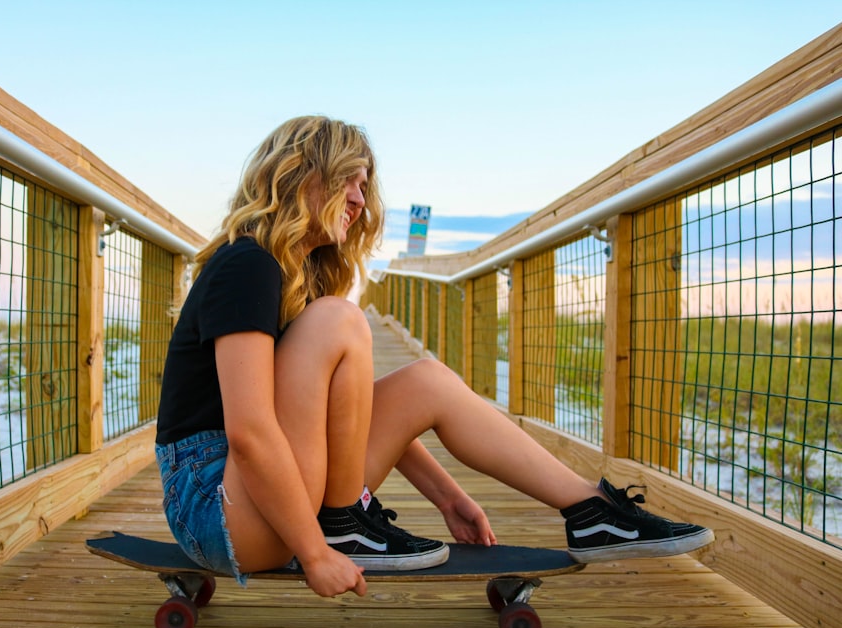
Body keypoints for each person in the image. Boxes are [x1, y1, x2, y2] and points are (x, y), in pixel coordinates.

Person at [155, 115, 714, 599]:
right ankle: (343, 528)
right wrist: (314, 552)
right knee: (339, 319)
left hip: (255, 496)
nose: (358, 199)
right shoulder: (246, 264)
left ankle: (593, 513)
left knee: (426, 380)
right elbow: (250, 431)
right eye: (347, 180)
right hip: (216, 508)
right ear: (301, 172)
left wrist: (449, 497)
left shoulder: (291, 276)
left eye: (363, 185)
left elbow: (347, 419)